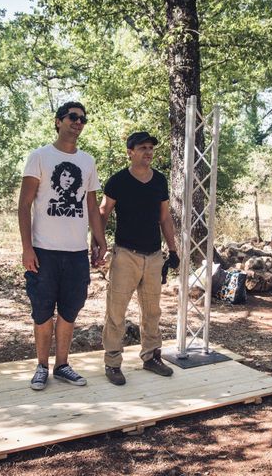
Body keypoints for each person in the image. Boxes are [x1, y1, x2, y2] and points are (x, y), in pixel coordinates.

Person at [18, 101, 107, 390]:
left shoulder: (88, 161)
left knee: (70, 310)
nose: (78, 122)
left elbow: (92, 207)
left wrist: (99, 240)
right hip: (44, 250)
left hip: (76, 253)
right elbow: (24, 205)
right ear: (58, 121)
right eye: (73, 117)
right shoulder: (40, 157)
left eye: (83, 118)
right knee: (42, 310)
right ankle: (42, 366)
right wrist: (27, 248)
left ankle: (62, 365)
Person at [95, 131, 180, 385]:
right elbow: (103, 212)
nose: (148, 152)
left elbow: (164, 217)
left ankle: (151, 357)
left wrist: (173, 251)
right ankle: (112, 362)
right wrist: (97, 245)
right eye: (142, 148)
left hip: (154, 255)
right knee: (116, 311)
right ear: (130, 152)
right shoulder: (118, 181)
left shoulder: (160, 181)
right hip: (125, 255)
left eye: (151, 148)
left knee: (152, 310)